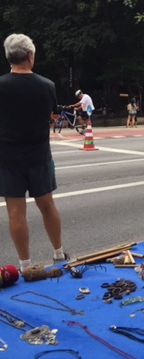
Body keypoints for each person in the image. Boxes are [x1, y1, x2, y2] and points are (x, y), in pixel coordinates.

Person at [0, 34, 67, 271]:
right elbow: (55, 116)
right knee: (47, 205)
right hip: (39, 156)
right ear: (30, 56)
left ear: (9, 57)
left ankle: (25, 264)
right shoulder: (47, 86)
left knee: (16, 211)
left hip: (7, 158)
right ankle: (58, 253)